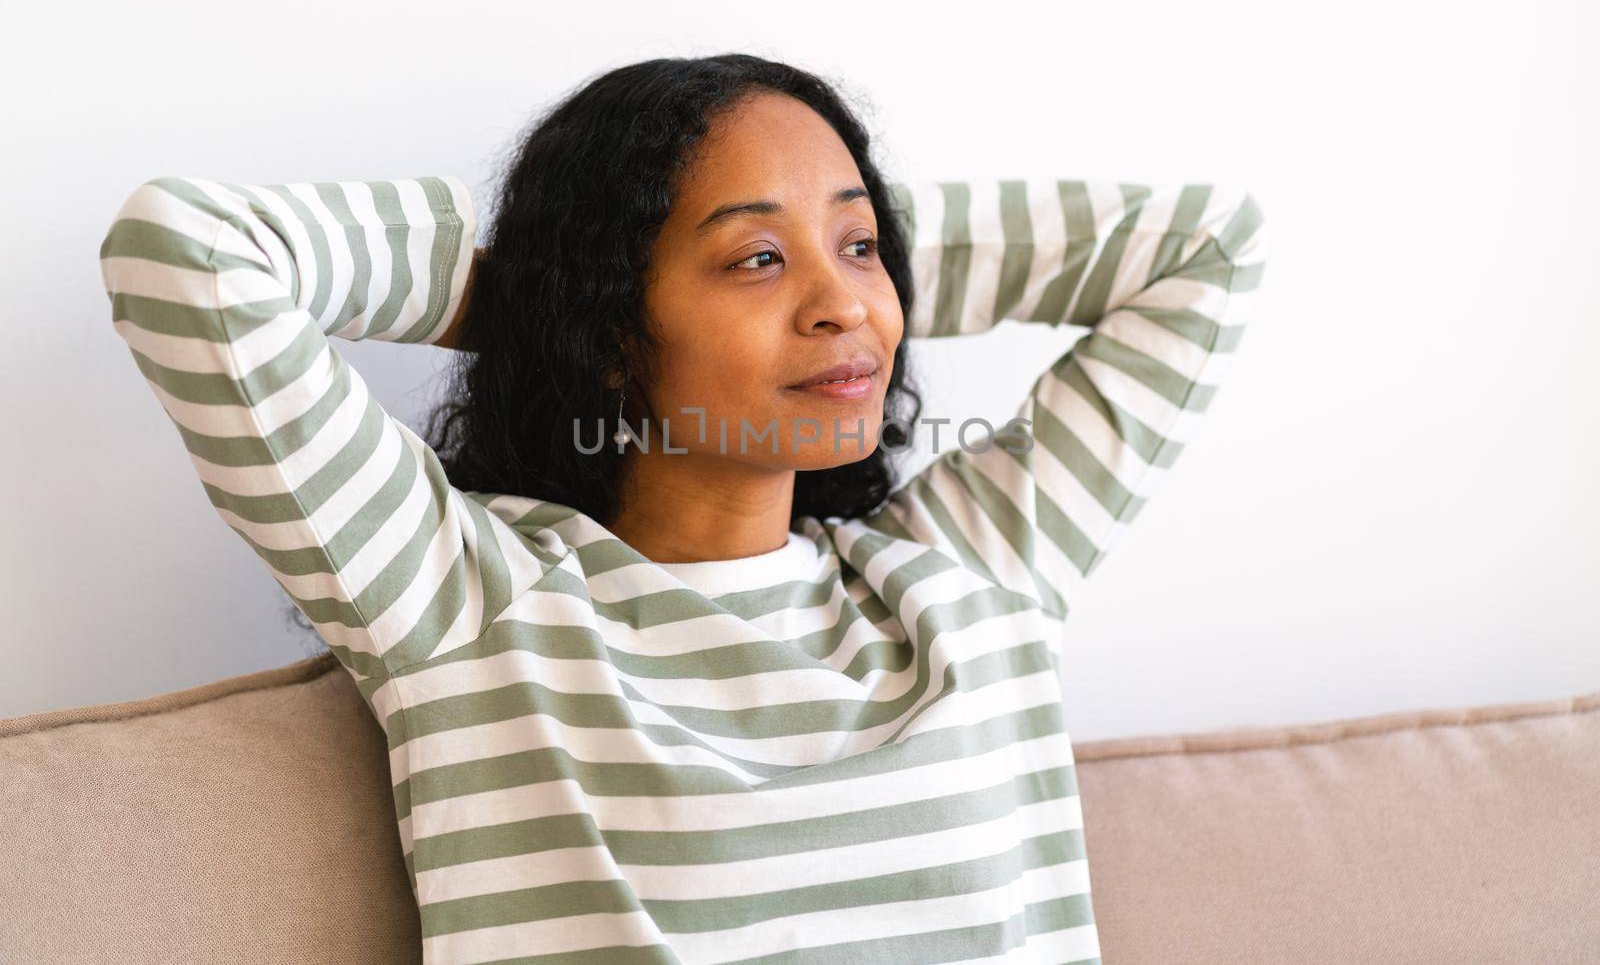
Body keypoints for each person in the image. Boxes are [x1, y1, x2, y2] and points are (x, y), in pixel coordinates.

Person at [98, 53, 1268, 964]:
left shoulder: (963, 576)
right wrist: (546, 289)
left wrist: (848, 253)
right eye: (755, 259)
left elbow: (1207, 247)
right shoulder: (468, 606)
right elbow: (183, 253)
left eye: (860, 246)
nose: (844, 305)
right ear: (612, 326)